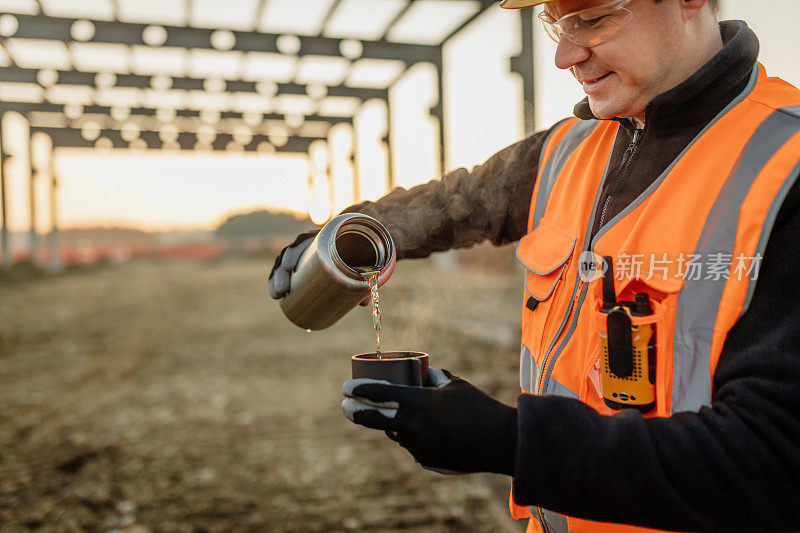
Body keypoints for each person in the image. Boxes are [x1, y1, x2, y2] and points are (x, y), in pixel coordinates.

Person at [269, 0, 800, 531]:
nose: (565, 56)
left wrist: (510, 442)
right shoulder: (571, 148)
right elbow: (461, 200)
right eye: (556, 25)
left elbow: (770, 462)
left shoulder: (785, 166)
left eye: (593, 20)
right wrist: (350, 235)